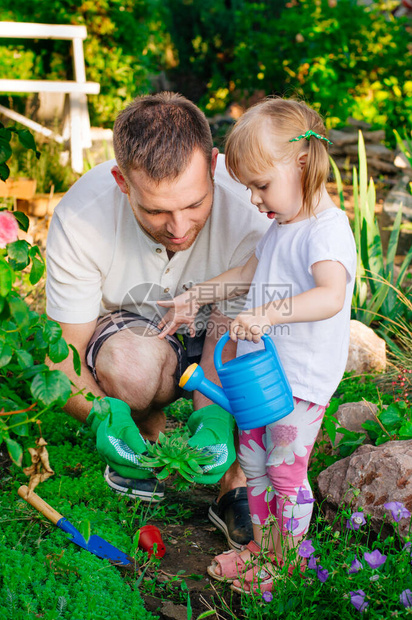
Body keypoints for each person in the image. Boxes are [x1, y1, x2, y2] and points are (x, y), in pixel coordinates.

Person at [45, 92, 271, 550]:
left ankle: (236, 480)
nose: (179, 226)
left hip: (224, 327)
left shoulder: (254, 211)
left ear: (213, 165)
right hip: (138, 329)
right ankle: (141, 434)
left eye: (194, 204)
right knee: (129, 367)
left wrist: (213, 418)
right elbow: (62, 354)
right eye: (156, 210)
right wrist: (100, 415)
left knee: (272, 354)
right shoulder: (81, 218)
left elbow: (225, 339)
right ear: (122, 181)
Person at [157, 97, 357, 594]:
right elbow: (249, 272)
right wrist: (196, 297)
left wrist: (269, 313)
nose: (253, 198)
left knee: (285, 472)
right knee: (253, 466)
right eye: (248, 187)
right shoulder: (282, 226)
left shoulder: (326, 232)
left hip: (299, 384)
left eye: (261, 185)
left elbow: (330, 295)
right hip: (256, 378)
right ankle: (258, 551)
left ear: (303, 163)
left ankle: (284, 566)